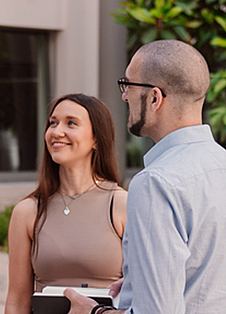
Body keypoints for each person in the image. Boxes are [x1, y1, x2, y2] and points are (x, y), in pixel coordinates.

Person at [65, 39, 226, 314]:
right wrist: (144, 279)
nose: (125, 95)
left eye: (128, 85)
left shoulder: (156, 183)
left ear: (154, 98)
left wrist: (93, 311)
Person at [4, 93, 127, 314]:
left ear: (96, 139)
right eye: (53, 123)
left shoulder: (122, 204)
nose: (56, 131)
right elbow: (17, 301)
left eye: (71, 123)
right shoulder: (28, 211)